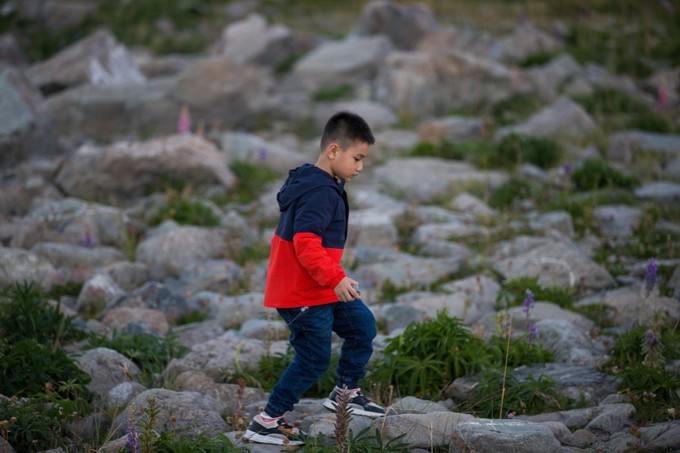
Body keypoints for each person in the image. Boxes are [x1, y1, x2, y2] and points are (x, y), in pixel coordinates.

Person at [242, 111, 387, 446]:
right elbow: (306, 244)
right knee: (314, 358)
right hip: (302, 292)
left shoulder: (318, 182)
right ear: (334, 151)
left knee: (362, 326)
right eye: (358, 158)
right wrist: (337, 277)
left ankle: (345, 394)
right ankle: (266, 421)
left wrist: (332, 280)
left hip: (321, 287)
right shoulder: (319, 191)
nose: (360, 167)